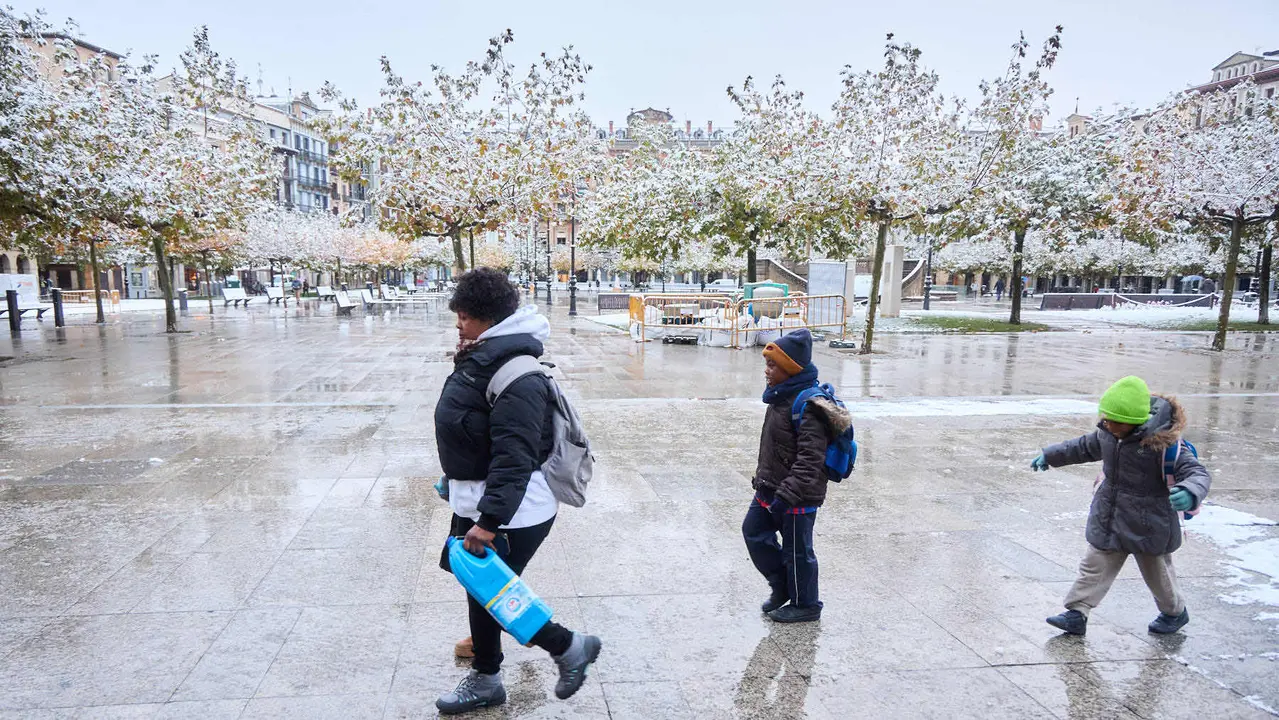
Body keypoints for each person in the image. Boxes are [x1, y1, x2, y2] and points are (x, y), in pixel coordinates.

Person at [433, 267, 602, 714]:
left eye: (464, 317)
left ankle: (566, 647)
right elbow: (477, 432)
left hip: (512, 510)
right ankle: (491, 667)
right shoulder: (486, 355)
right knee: (483, 590)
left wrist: (489, 522)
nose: (458, 325)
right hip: (482, 498)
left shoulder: (517, 374)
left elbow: (515, 455)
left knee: (491, 593)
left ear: (488, 319)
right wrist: (454, 479)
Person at [1031, 376, 1211, 636]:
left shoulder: (1164, 445)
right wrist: (1051, 455)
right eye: (1106, 419)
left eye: (1115, 421)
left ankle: (1174, 612)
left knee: (1157, 574)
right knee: (1094, 565)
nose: (1108, 424)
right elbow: (1082, 447)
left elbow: (1197, 474)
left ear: (1137, 421)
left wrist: (1189, 491)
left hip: (1150, 522)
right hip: (1111, 515)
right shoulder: (1108, 434)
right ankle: (1077, 612)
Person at [742, 329, 850, 624]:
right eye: (767, 363)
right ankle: (782, 586)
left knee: (797, 552)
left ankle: (806, 604)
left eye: (772, 365)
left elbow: (810, 460)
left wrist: (787, 494)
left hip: (795, 496)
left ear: (790, 368)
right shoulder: (780, 397)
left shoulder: (808, 406)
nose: (766, 370)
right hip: (770, 489)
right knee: (753, 533)